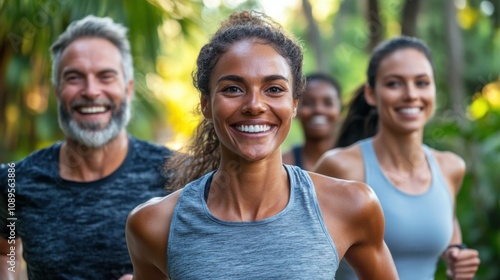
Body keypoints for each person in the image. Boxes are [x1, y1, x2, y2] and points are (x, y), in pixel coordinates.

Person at [125, 10, 398, 280]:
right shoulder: (155, 224)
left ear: (294, 104)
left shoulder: (350, 206)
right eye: (233, 88)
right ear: (206, 104)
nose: (254, 105)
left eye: (274, 89)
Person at [0, 15, 173, 280]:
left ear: (128, 90)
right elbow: (5, 251)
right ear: (58, 92)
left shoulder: (178, 176)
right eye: (74, 78)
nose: (91, 91)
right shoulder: (13, 182)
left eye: (105, 76)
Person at [314, 36, 481, 279]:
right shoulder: (340, 167)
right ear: (371, 94)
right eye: (394, 84)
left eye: (422, 83)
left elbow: (448, 226)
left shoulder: (450, 167)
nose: (411, 95)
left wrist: (456, 253)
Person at [282, 73, 342, 170]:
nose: (318, 109)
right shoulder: (284, 165)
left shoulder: (356, 162)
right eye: (309, 103)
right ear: (295, 109)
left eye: (328, 103)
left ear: (340, 111)